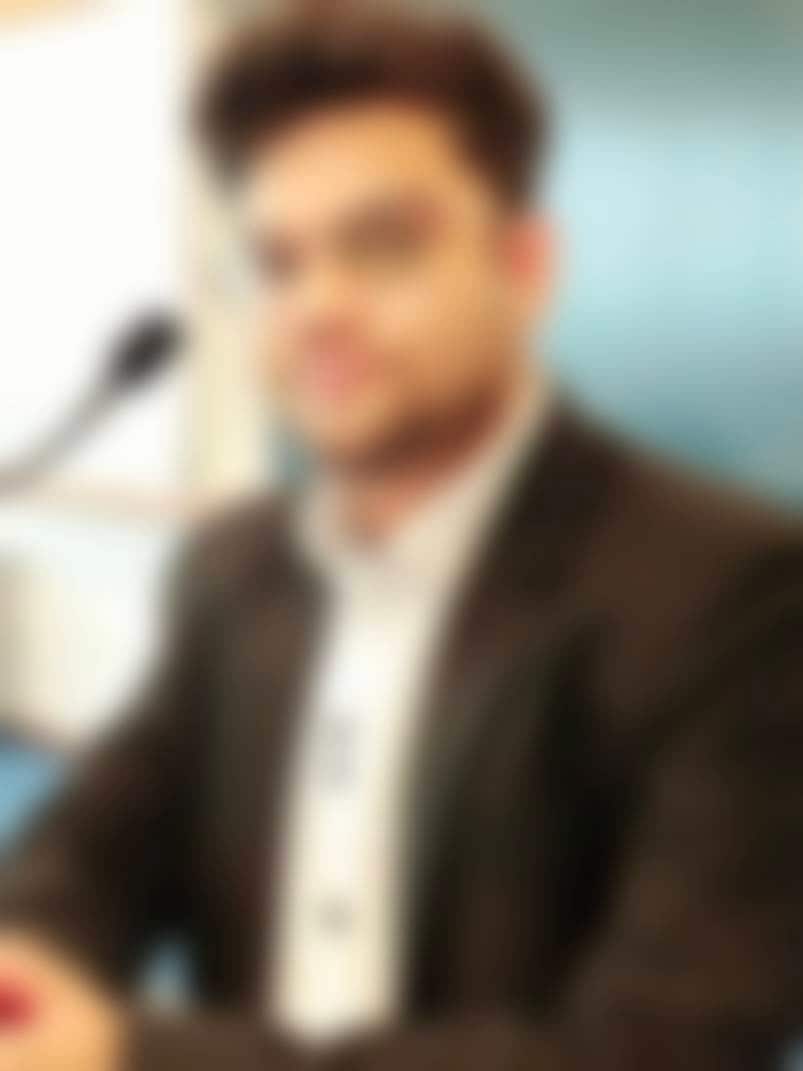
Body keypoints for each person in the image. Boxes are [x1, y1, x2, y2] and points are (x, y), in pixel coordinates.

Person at [2, 2, 803, 1068]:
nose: (317, 305)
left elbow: (660, 1047)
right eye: (276, 263)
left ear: (523, 266)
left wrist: (138, 1052)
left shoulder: (732, 591)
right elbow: (99, 840)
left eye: (381, 245)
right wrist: (22, 968)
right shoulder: (233, 568)